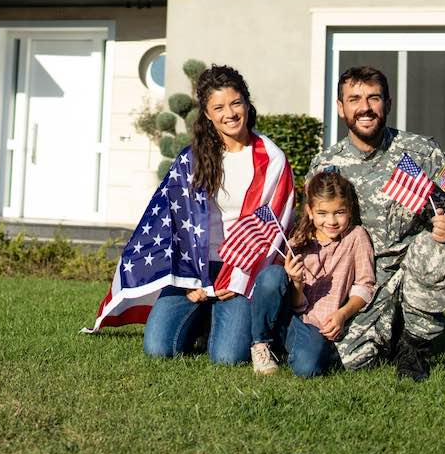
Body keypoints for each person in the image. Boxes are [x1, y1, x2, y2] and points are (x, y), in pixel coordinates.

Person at [85, 65, 294, 367]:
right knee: (159, 348)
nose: (230, 113)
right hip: (193, 265)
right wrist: (190, 280)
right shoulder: (192, 157)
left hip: (241, 267)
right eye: (218, 107)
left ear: (247, 104)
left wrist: (232, 279)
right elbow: (170, 222)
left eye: (236, 103)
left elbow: (271, 227)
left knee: (227, 358)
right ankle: (202, 318)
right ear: (207, 114)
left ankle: (213, 319)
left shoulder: (271, 158)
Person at [306, 66, 445, 382]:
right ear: (341, 108)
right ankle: (391, 330)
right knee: (345, 360)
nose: (365, 107)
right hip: (364, 280)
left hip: (413, 267)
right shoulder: (325, 165)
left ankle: (414, 350)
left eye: (374, 97)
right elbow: (312, 234)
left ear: (388, 103)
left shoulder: (423, 152)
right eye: (354, 99)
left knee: (436, 246)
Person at [249, 170, 375, 377]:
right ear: (310, 211)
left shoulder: (356, 237)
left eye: (339, 212)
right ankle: (261, 343)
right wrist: (296, 282)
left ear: (350, 210)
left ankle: (287, 348)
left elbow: (365, 285)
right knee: (273, 274)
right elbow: (294, 302)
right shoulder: (299, 239)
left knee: (309, 369)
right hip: (288, 315)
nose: (332, 221)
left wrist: (343, 314)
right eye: (323, 213)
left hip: (317, 323)